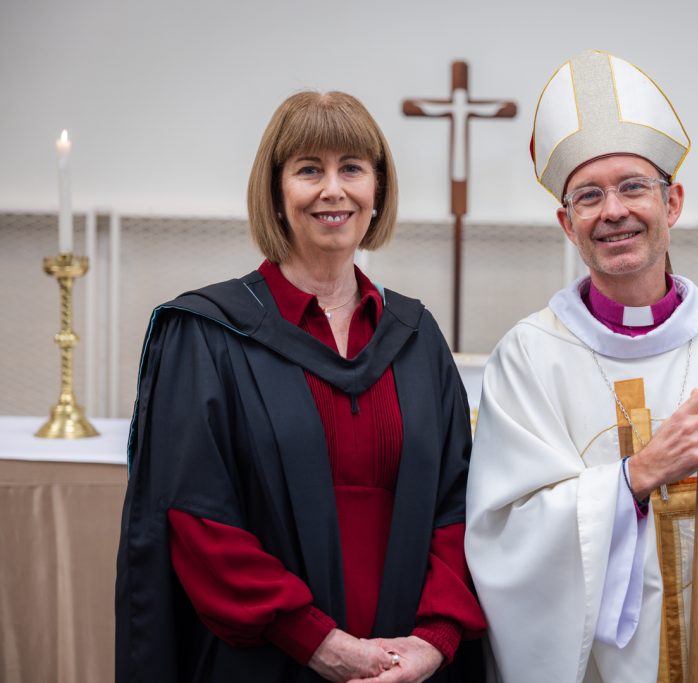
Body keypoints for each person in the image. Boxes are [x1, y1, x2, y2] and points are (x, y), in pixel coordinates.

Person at [465, 50, 698, 682]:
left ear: (672, 205)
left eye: (633, 186)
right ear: (567, 224)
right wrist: (637, 476)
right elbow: (504, 536)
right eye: (589, 196)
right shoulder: (529, 358)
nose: (613, 210)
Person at [116, 91, 486, 683]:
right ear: (277, 192)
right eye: (309, 169)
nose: (332, 189)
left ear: (377, 191)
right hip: (266, 659)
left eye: (353, 169)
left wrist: (433, 639)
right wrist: (319, 642)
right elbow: (195, 518)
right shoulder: (209, 335)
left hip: (405, 666)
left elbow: (458, 504)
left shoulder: (414, 335)